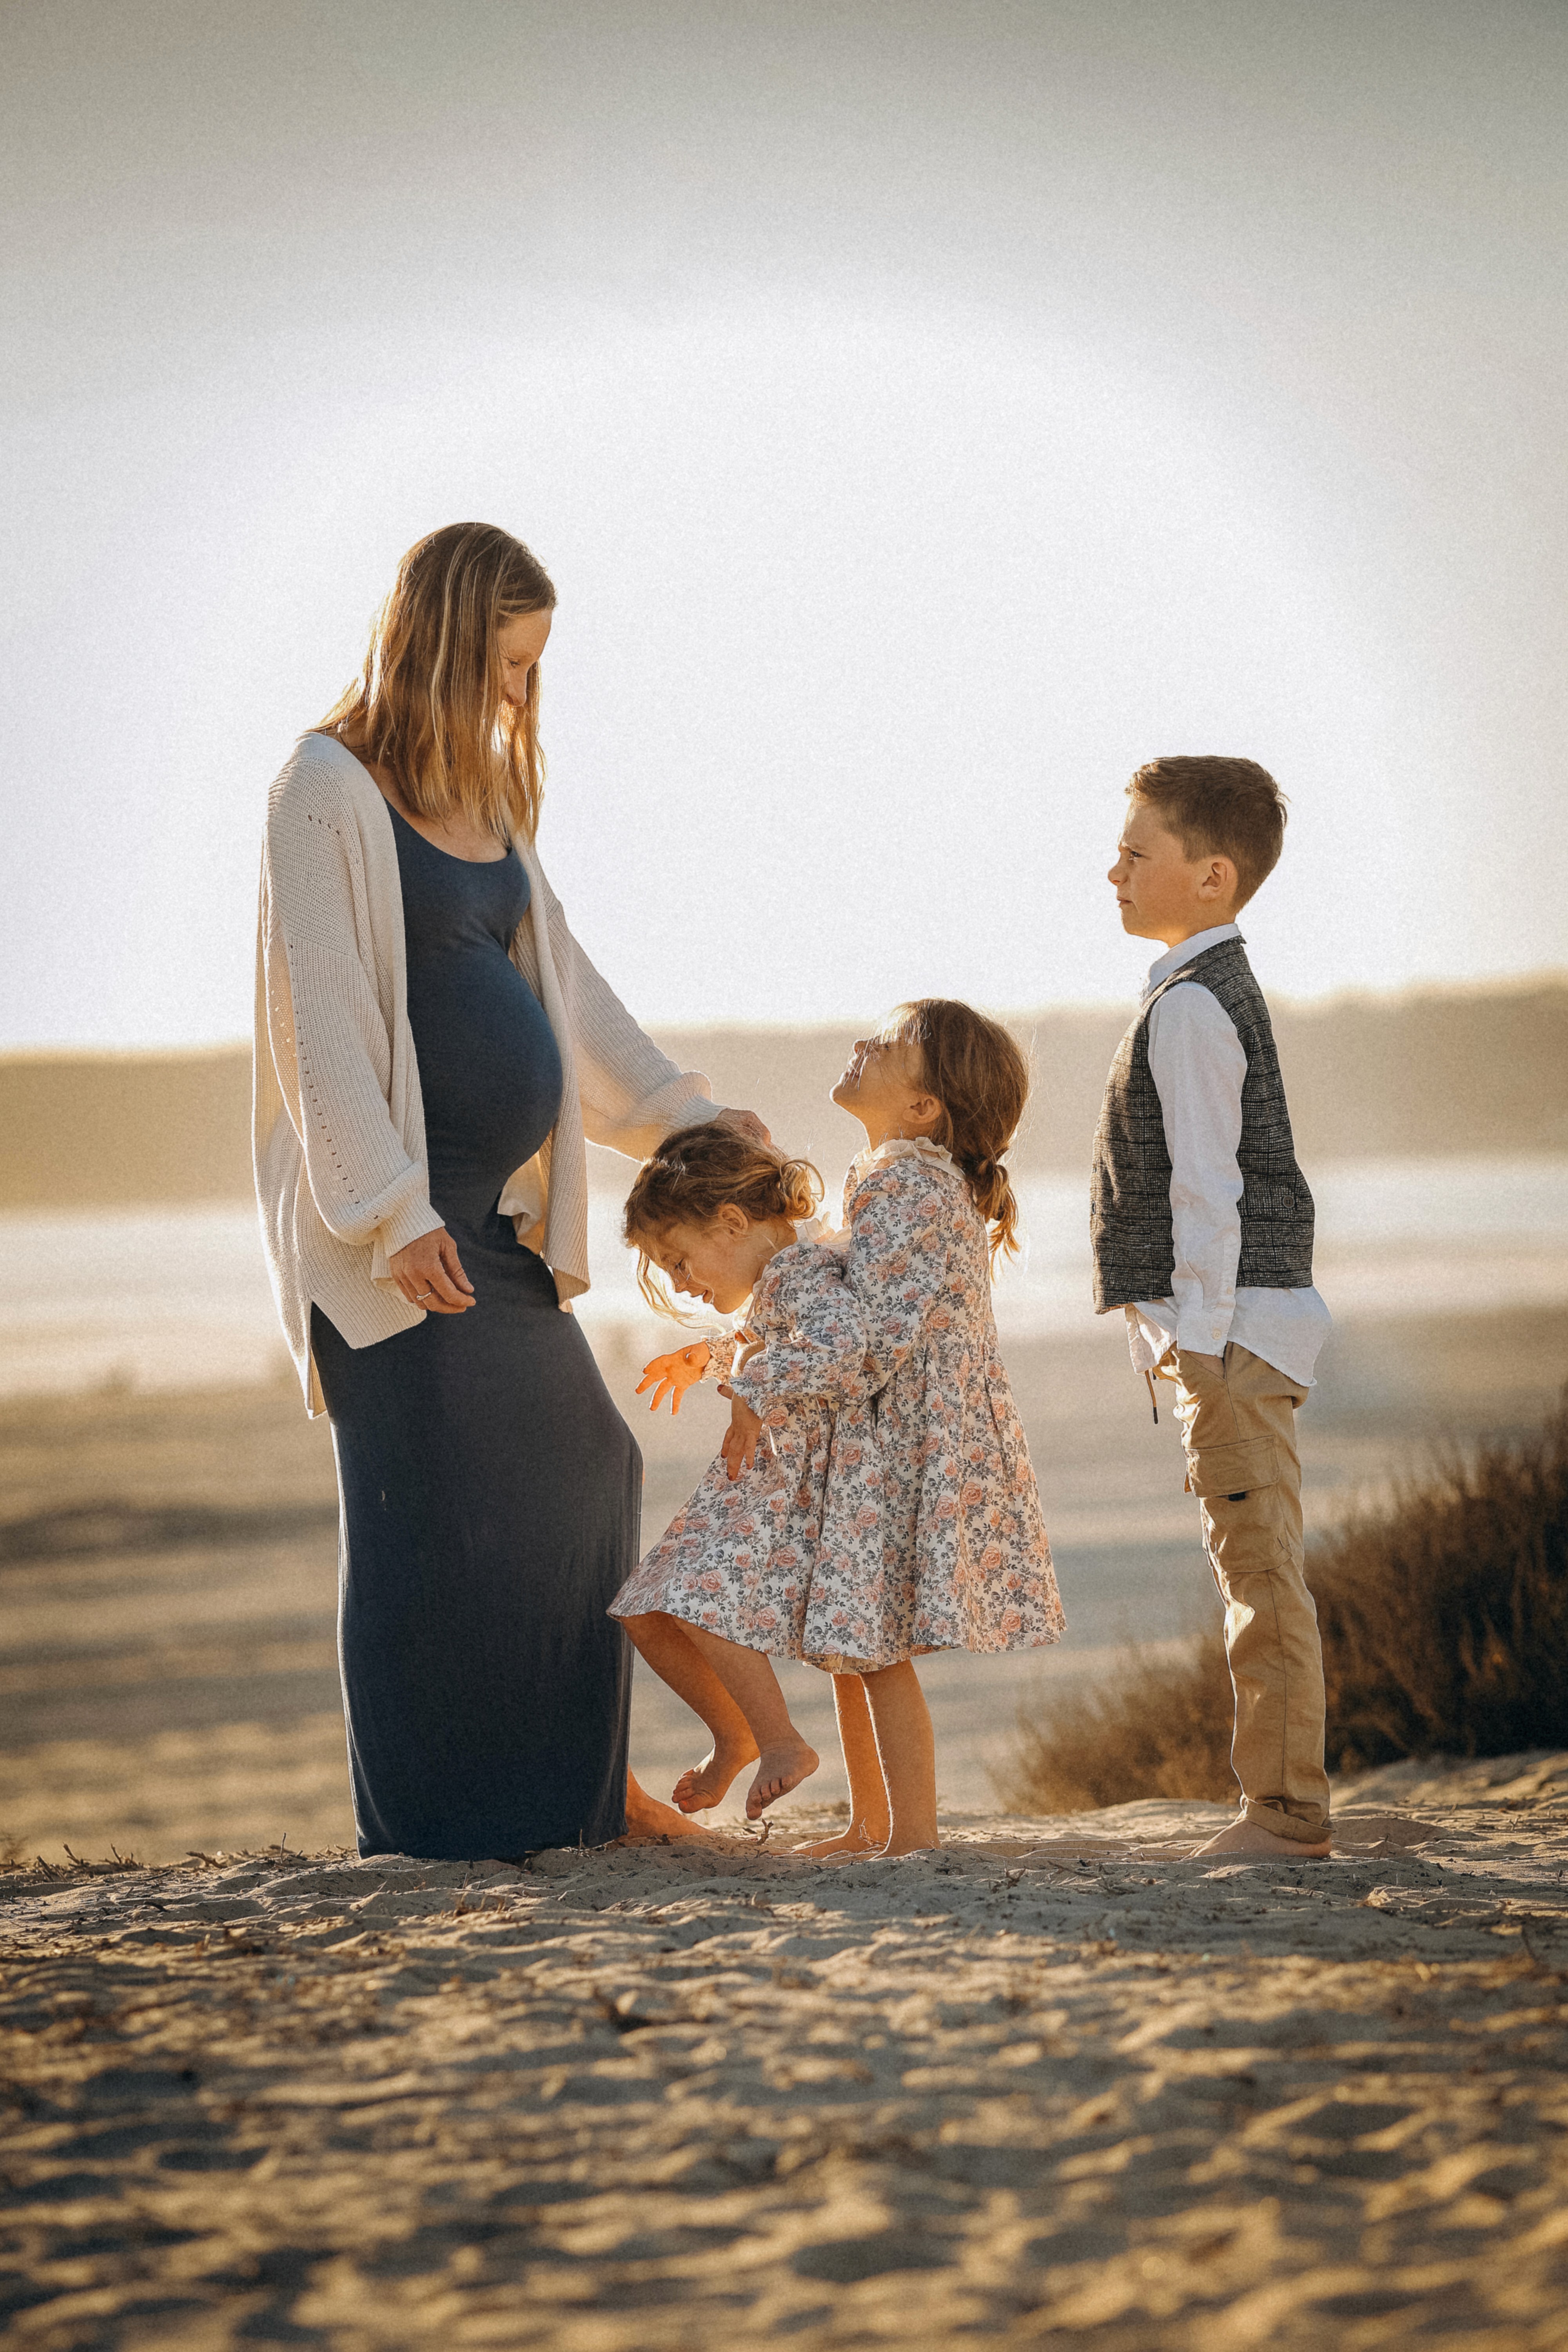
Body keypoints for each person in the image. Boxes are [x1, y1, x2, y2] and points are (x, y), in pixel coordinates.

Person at [253, 519, 767, 1858]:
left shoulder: (490, 806)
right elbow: (320, 1026)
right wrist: (389, 1208)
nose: (520, 696)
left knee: (585, 1467)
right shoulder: (323, 787)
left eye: (535, 670)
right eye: (504, 664)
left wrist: (690, 1122)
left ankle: (580, 1805)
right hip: (396, 1239)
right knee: (429, 1526)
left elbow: (572, 1001)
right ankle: (438, 1828)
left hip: (498, 1227)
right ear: (434, 641)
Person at [612, 1001, 1064, 1857]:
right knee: (856, 1647)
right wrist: (724, 1359)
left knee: (875, 1653)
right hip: (884, 1444)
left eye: (888, 1045)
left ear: (925, 1106)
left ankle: (911, 1839)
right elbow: (820, 1305)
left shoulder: (901, 1181)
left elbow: (862, 1333)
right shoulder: (893, 1177)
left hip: (897, 1449)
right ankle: (870, 1827)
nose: (863, 1044)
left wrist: (754, 1386)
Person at [1095, 755, 1334, 1859]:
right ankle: (1281, 1803)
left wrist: (1195, 1348)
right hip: (1236, 1333)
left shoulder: (1192, 1008)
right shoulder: (1193, 992)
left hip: (1232, 1336)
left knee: (1260, 1573)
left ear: (1213, 875)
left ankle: (1283, 1815)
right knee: (1258, 1560)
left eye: (1139, 853)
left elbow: (1209, 1190)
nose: (1115, 870)